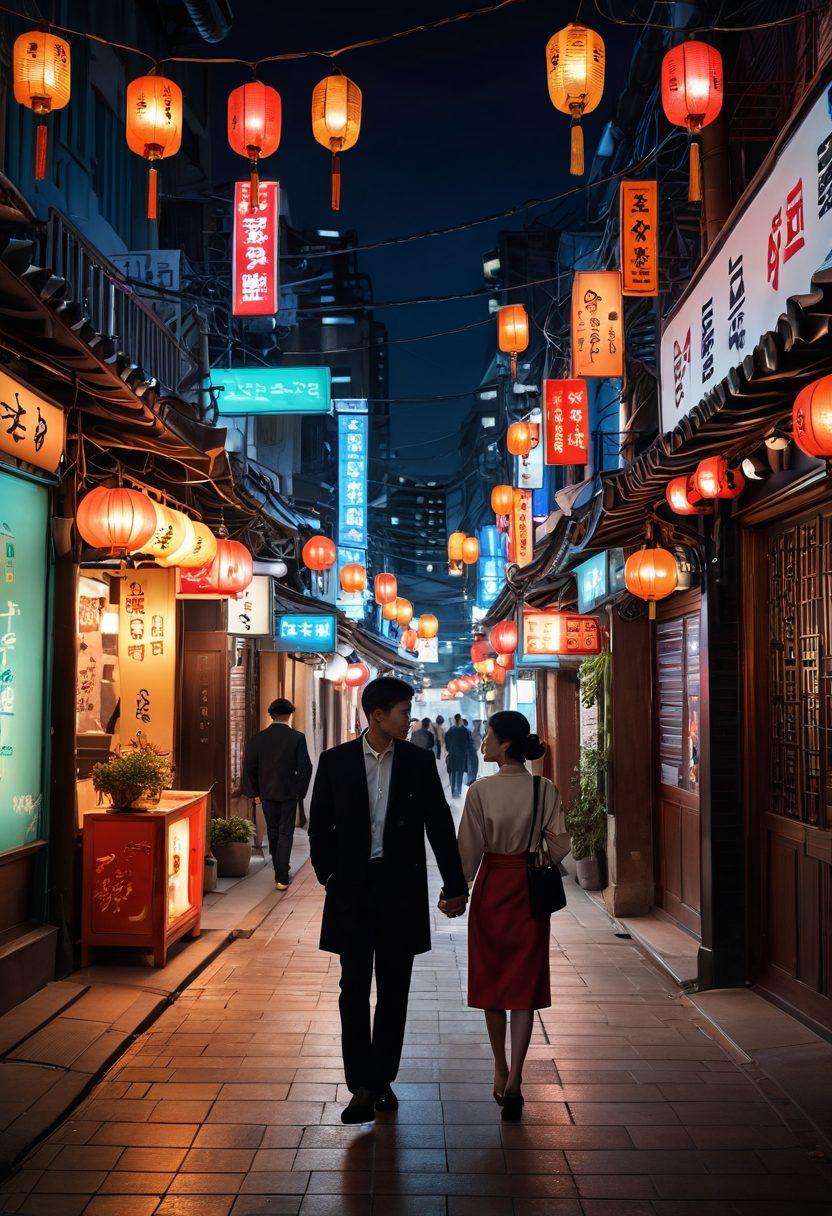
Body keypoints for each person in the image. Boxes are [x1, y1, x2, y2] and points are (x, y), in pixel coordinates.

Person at [309, 676, 468, 1125]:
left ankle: (383, 1080)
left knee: (395, 989)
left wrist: (454, 885)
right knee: (353, 987)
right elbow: (319, 826)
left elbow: (439, 825)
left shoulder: (417, 763)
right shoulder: (336, 762)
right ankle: (361, 1081)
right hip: (352, 890)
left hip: (400, 890)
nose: (409, 719)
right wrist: (330, 877)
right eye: (402, 711)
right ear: (377, 715)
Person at [455, 711, 569, 1122]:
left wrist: (457, 890)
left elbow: (468, 849)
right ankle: (518, 1077)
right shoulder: (545, 788)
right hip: (528, 892)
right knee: (524, 984)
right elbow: (560, 844)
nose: (482, 741)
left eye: (487, 734)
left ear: (504, 744)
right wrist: (536, 857)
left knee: (491, 979)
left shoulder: (481, 791)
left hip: (492, 887)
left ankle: (499, 1067)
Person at [243, 698, 312, 890]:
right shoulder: (297, 738)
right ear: (289, 715)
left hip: (266, 792)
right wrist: (300, 792)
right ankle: (281, 875)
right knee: (285, 832)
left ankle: (279, 867)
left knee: (272, 831)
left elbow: (250, 767)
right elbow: (305, 768)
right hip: (289, 793)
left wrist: (254, 792)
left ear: (271, 715)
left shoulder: (258, 739)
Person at [445, 713, 472, 799]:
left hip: (452, 754)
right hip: (461, 755)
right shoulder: (464, 730)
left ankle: (453, 791)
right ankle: (459, 791)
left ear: (454, 719)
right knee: (460, 773)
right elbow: (468, 742)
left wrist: (449, 749)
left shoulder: (451, 730)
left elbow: (447, 741)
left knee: (452, 773)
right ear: (460, 719)